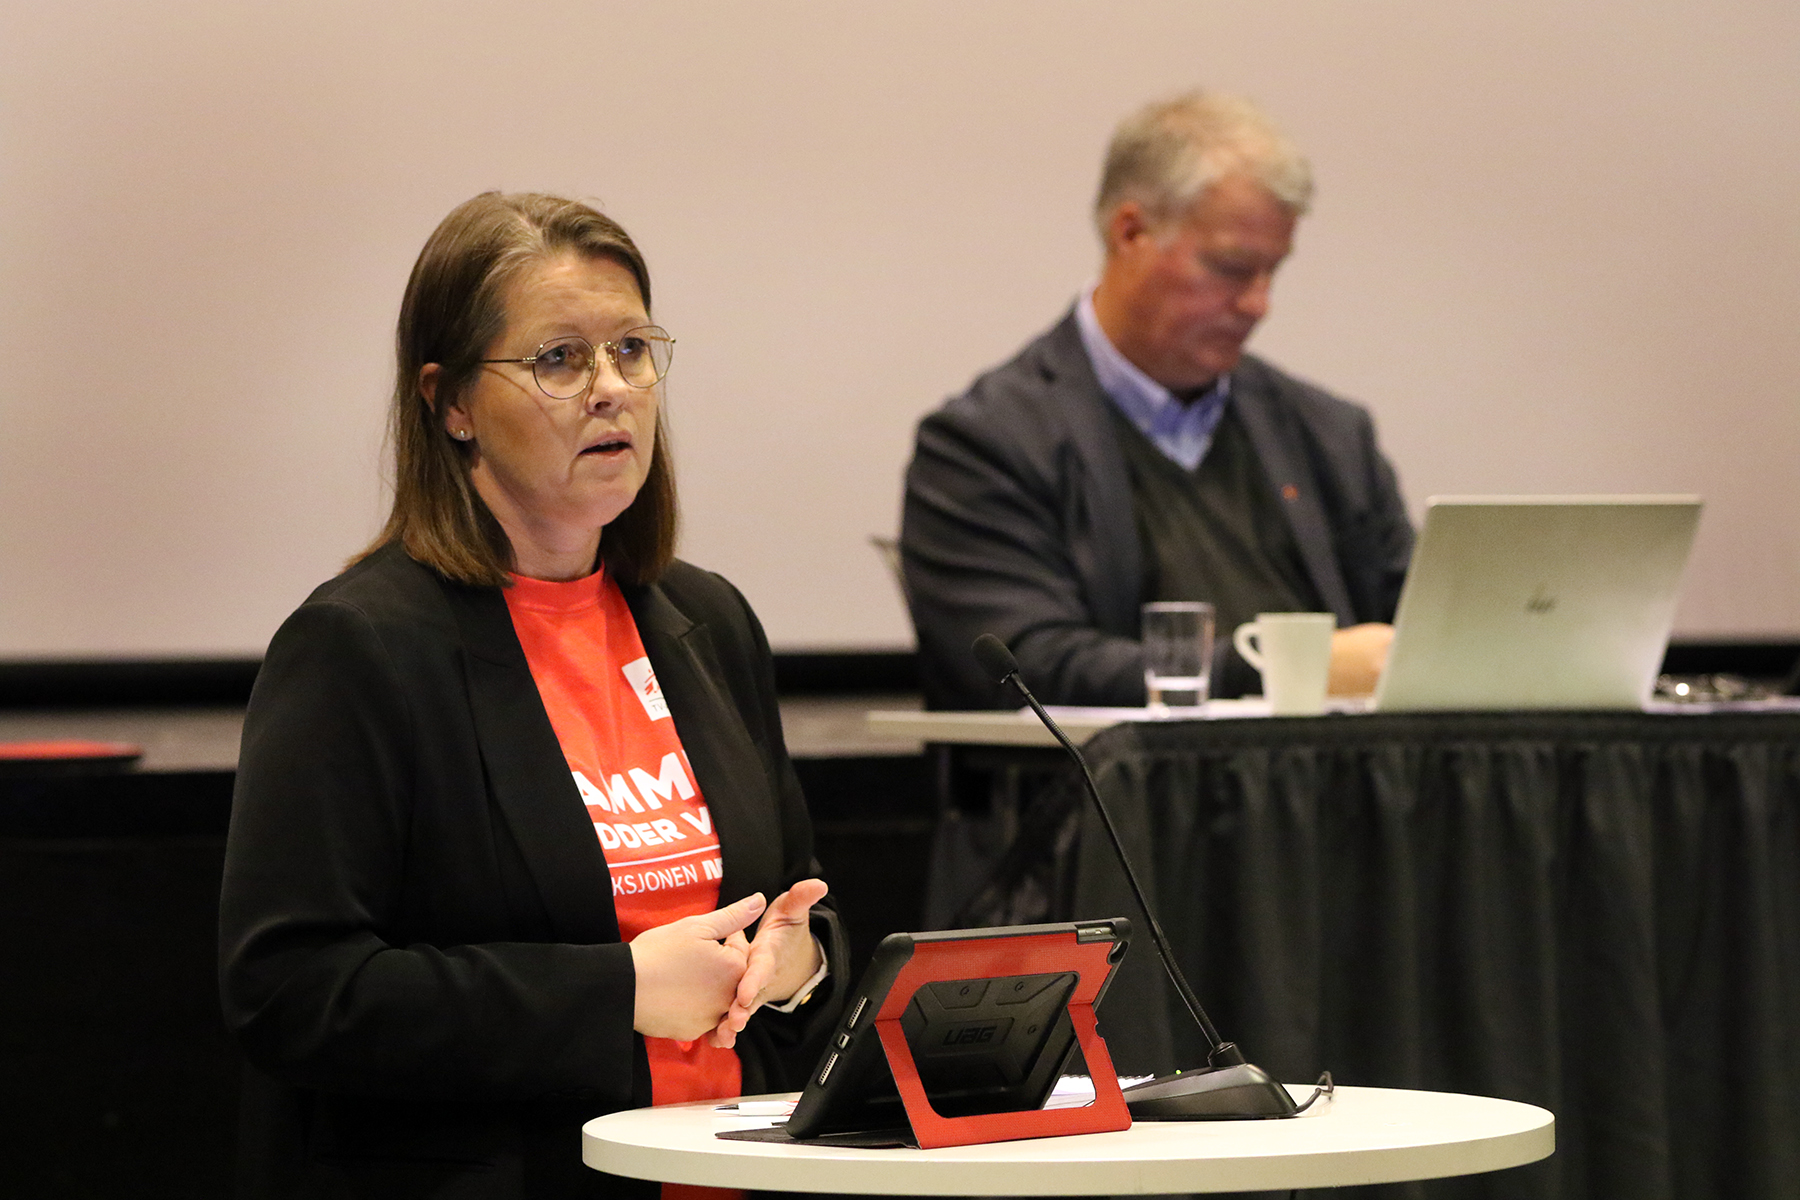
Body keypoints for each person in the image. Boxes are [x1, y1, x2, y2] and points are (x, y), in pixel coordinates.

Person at [219, 192, 844, 1200]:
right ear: (451, 401)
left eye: (632, 350)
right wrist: (616, 995)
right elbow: (292, 993)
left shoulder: (708, 621)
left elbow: (798, 902)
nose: (611, 389)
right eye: (558, 359)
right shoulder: (360, 650)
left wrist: (801, 964)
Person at [901, 91, 1414, 710]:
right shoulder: (986, 444)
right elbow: (1032, 669)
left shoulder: (1329, 435)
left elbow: (1420, 638)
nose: (1258, 303)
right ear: (1131, 231)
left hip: (1328, 795)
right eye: (1230, 267)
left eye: (1272, 271)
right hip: (1112, 802)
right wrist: (1290, 669)